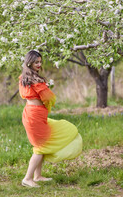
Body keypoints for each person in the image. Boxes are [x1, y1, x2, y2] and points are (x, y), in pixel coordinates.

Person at [19, 50, 82, 188]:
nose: (39, 64)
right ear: (29, 62)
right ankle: (27, 178)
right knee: (41, 147)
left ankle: (37, 176)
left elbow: (29, 95)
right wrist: (48, 91)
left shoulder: (24, 78)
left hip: (31, 115)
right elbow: (49, 98)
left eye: (40, 62)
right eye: (36, 62)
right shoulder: (35, 80)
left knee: (40, 145)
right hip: (34, 116)